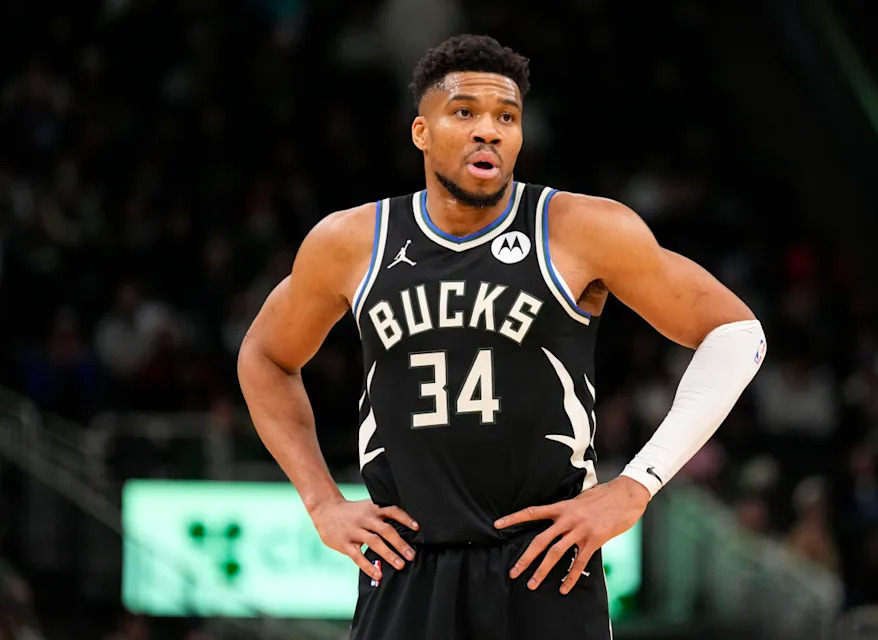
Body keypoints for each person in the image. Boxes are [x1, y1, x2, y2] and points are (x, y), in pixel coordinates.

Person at [237, 34, 767, 640]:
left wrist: (635, 486)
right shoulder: (351, 242)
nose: (488, 130)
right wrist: (322, 502)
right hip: (406, 567)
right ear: (422, 132)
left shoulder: (581, 229)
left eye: (506, 117)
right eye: (465, 113)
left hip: (545, 565)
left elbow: (736, 333)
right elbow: (265, 356)